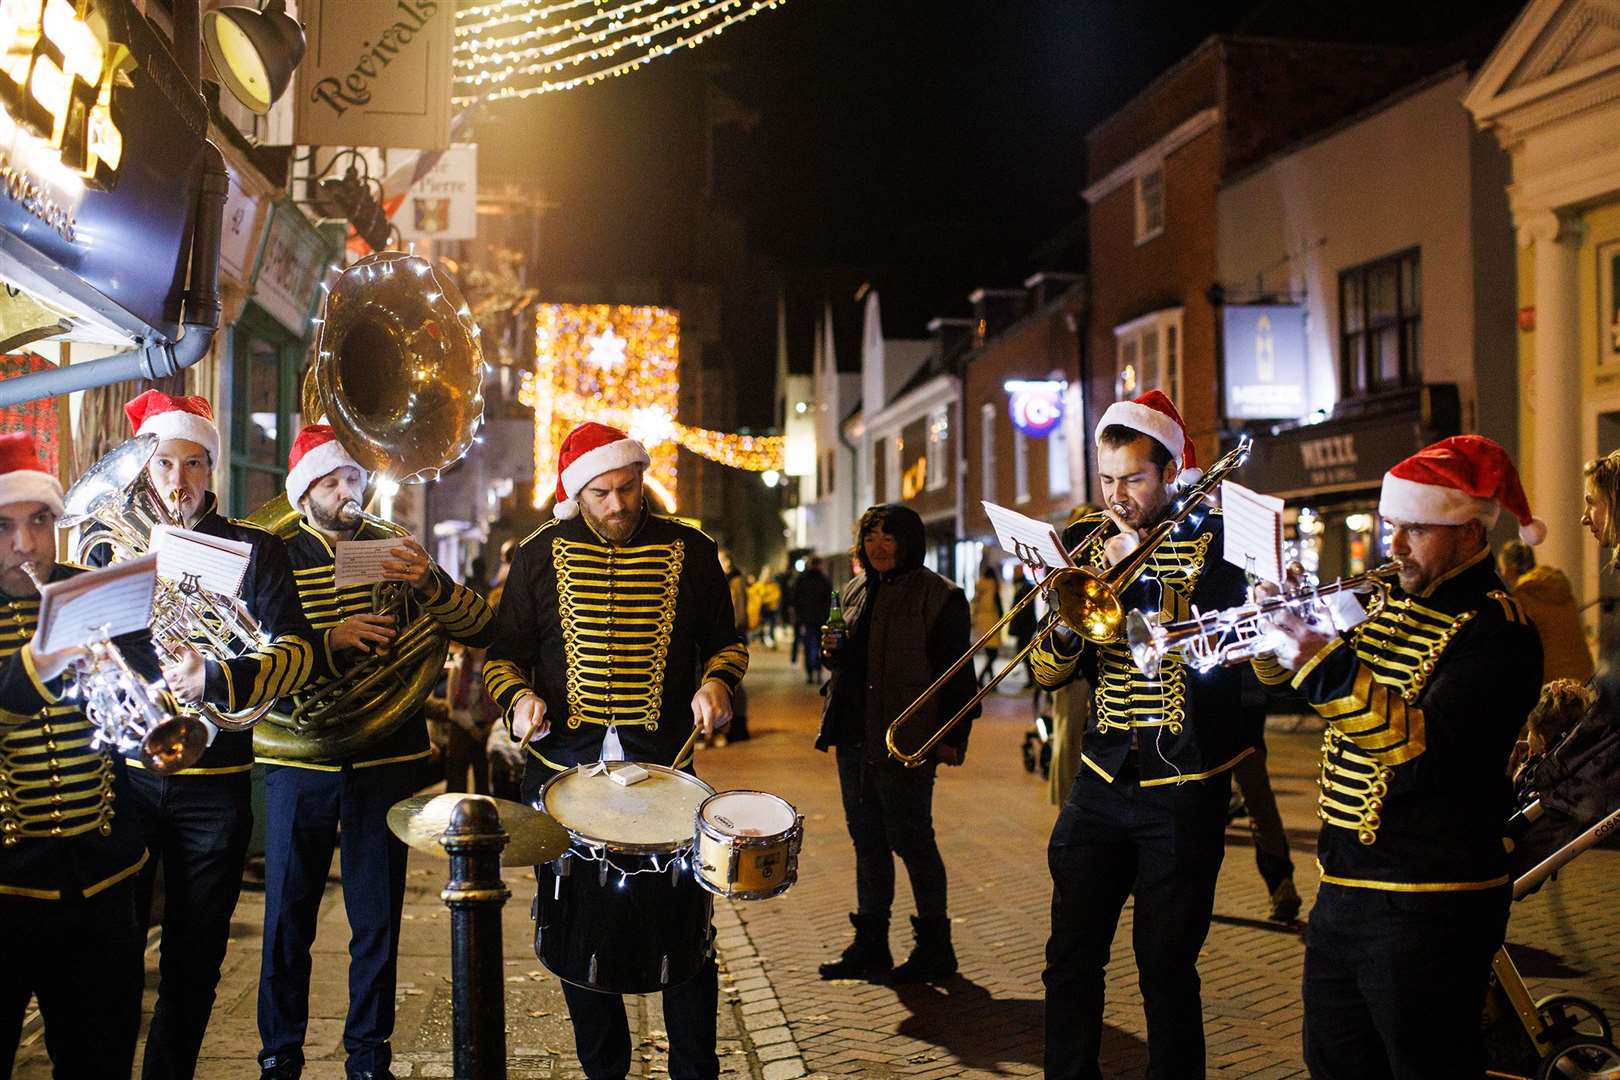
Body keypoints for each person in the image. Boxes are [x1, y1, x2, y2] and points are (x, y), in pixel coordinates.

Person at [1259, 434, 1544, 1079]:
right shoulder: (1385, 606)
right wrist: (1275, 626)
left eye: (1415, 530)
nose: (1393, 547)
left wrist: (1325, 665)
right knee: (1335, 1064)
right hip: (1342, 892)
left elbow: (1422, 753)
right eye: (1393, 527)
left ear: (1469, 533)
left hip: (1431, 901)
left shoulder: (1496, 629)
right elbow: (1281, 689)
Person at [482, 421, 747, 1080]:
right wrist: (518, 701)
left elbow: (726, 640)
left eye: (628, 489)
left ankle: (694, 1069)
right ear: (578, 493)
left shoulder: (691, 548)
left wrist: (717, 681)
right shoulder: (539, 553)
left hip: (665, 775)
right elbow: (503, 657)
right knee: (579, 936)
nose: (618, 505)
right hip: (561, 776)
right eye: (601, 493)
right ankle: (605, 1070)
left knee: (685, 934)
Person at [87, 390, 325, 1080]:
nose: (178, 480)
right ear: (146, 468)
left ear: (210, 469)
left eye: (193, 464)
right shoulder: (111, 548)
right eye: (164, 463)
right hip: (126, 780)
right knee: (112, 957)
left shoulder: (257, 549)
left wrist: (216, 677)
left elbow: (301, 653)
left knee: (195, 961)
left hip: (214, 788)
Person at [256, 425, 496, 1080]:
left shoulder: (392, 549)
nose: (347, 493)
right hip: (298, 758)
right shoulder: (272, 554)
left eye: (353, 480)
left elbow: (482, 627)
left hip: (387, 755)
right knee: (285, 922)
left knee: (378, 923)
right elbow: (247, 660)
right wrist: (329, 641)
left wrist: (432, 583)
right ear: (305, 489)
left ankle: (369, 1057)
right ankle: (279, 1056)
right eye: (332, 482)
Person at [1028, 391, 1252, 1080]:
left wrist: (1146, 575)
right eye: (1106, 479)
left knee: (1165, 967)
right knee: (1069, 956)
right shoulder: (1087, 540)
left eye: (1133, 478)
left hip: (1184, 787)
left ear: (1172, 469)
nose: (1117, 495)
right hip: (1100, 778)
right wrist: (1066, 619)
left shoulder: (1219, 542)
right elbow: (1043, 669)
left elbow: (1233, 656)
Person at [0, 433, 169, 1080]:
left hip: (103, 882)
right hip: (5, 888)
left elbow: (146, 694)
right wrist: (35, 667)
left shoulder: (92, 591)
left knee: (100, 1063)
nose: (26, 545)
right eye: (6, 526)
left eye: (40, 521)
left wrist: (175, 683)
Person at [814, 503, 977, 984]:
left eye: (889, 537)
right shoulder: (854, 589)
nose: (879, 547)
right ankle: (871, 945)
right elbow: (846, 666)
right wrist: (833, 653)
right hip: (855, 737)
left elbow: (958, 676)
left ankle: (935, 947)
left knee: (913, 840)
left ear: (909, 542)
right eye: (871, 537)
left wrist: (952, 737)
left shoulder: (941, 596)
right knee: (867, 840)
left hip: (907, 737)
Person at [1498, 540, 1594, 685]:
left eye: (1502, 568)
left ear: (1511, 569)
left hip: (1554, 687)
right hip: (1585, 676)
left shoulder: (1523, 599)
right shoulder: (1558, 586)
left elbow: (1516, 652)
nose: (1503, 574)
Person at [719, 548, 752, 742]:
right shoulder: (726, 579)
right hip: (731, 632)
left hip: (735, 634)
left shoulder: (736, 581)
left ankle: (738, 726)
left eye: (721, 559)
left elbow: (739, 610)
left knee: (736, 683)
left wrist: (735, 630)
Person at [791, 555, 832, 684]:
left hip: (807, 619)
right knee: (820, 646)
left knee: (808, 646)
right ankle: (818, 672)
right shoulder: (824, 580)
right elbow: (829, 600)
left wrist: (800, 616)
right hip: (820, 619)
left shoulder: (802, 579)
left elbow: (796, 599)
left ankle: (810, 673)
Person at [970, 562, 1004, 688]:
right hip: (991, 620)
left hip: (981, 621)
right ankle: (981, 678)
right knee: (993, 654)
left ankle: (991, 682)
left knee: (989, 653)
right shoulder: (993, 587)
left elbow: (974, 604)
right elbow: (999, 607)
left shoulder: (979, 587)